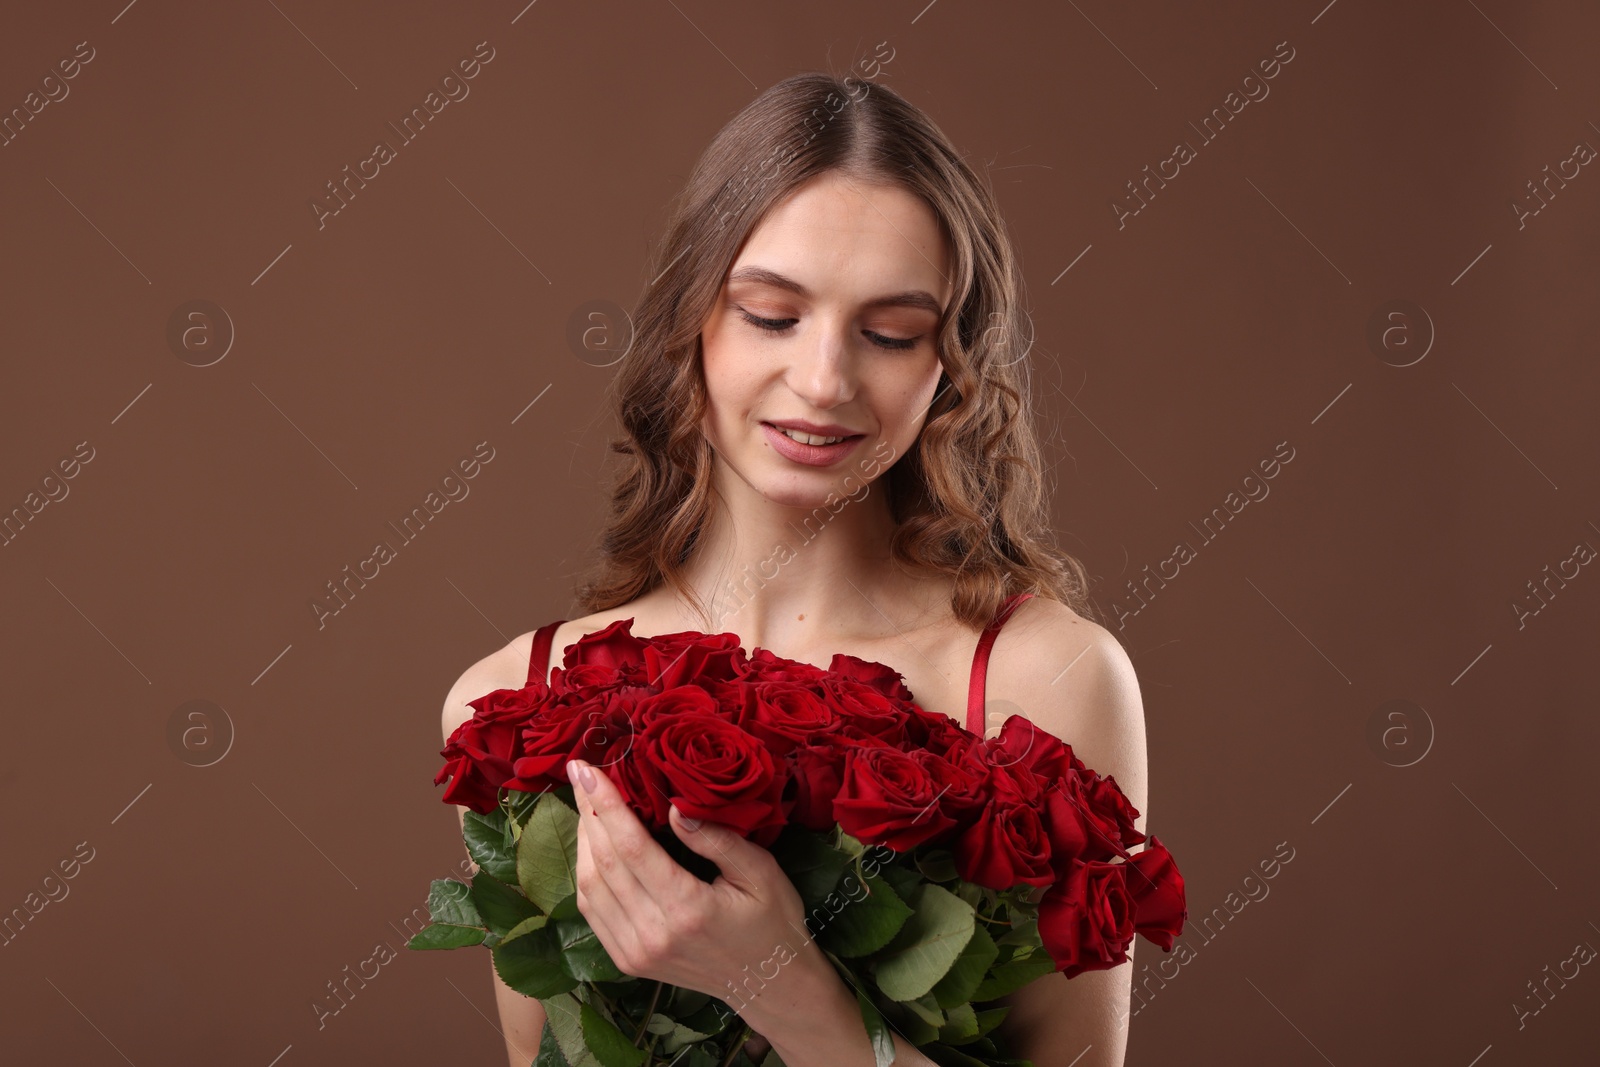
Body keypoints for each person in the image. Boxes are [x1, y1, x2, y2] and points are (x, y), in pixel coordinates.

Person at [441, 69, 1150, 1067]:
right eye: (772, 316)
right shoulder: (514, 700)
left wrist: (779, 983)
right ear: (690, 319)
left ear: (952, 363)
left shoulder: (1048, 681)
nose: (822, 382)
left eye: (891, 334)